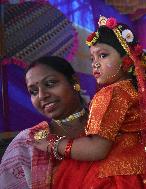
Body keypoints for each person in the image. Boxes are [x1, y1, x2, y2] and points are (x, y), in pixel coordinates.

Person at [31, 16, 146, 188]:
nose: (95, 64)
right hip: (143, 170)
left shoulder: (111, 93)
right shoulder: (131, 91)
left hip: (116, 177)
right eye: (92, 58)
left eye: (103, 55)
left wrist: (53, 144)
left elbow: (97, 148)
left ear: (127, 60)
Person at [0, 56, 88, 188]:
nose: (41, 95)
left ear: (74, 81)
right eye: (33, 91)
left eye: (50, 83)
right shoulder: (26, 144)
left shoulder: (111, 124)